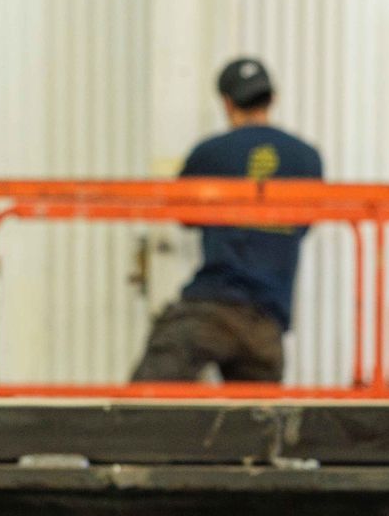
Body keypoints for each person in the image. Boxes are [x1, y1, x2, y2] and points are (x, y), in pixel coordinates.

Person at [132, 57, 325, 384]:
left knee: (144, 404)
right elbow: (306, 223)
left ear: (227, 102)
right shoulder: (306, 158)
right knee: (258, 425)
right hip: (267, 321)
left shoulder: (209, 153)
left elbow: (184, 215)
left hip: (211, 307)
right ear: (272, 98)